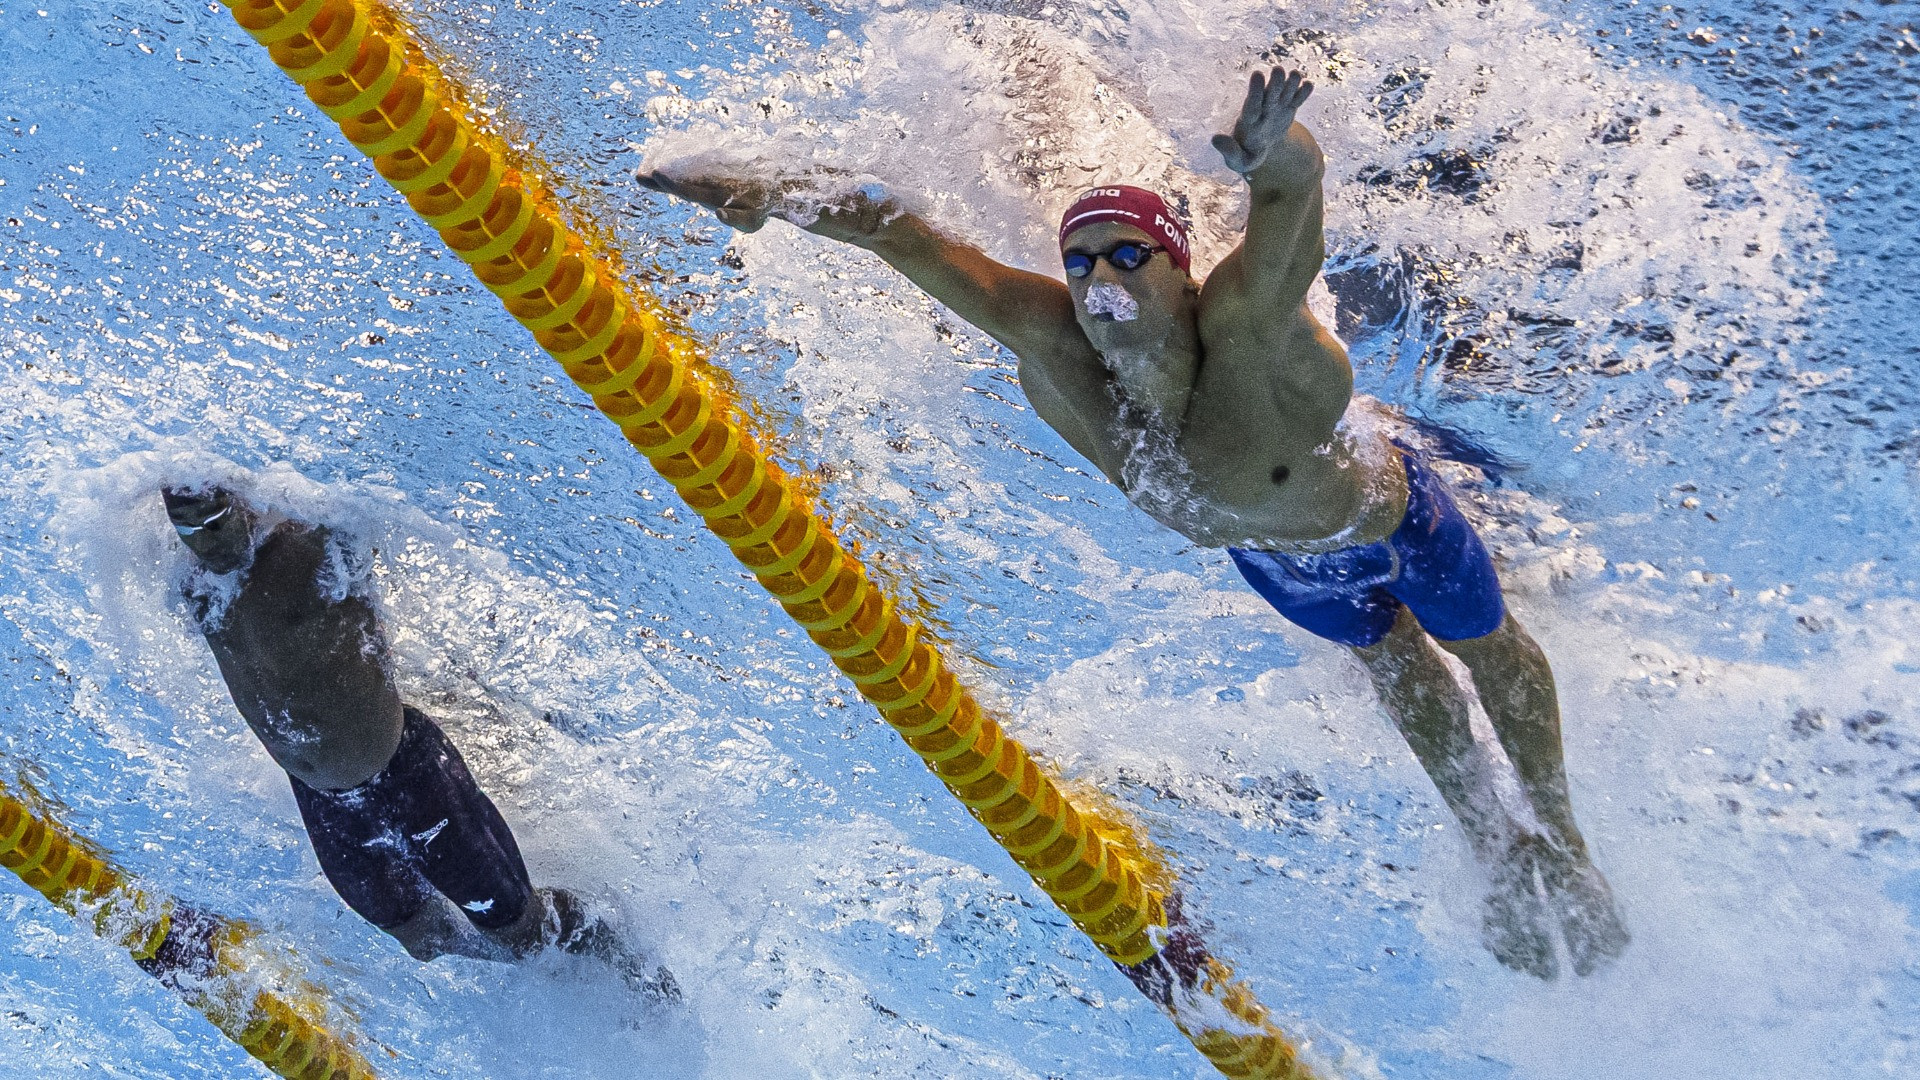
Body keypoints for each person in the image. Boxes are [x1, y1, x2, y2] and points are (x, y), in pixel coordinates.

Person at [636, 65, 1628, 978]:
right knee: (1396, 666)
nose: (1097, 277)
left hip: (1387, 520)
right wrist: (772, 189)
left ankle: (1569, 844)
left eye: (1126, 253)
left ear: (1182, 273)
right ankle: (1497, 851)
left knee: (1483, 649)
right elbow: (901, 232)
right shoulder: (1050, 340)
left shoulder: (1244, 329)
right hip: (1280, 562)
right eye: (1079, 261)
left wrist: (1265, 150)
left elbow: (1293, 205)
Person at [160, 485, 674, 994]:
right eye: (187, 530)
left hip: (410, 776)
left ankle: (623, 955)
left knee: (522, 933)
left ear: (243, 501)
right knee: (422, 939)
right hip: (324, 805)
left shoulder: (307, 543)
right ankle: (524, 962)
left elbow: (369, 502)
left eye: (212, 522)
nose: (204, 543)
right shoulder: (197, 582)